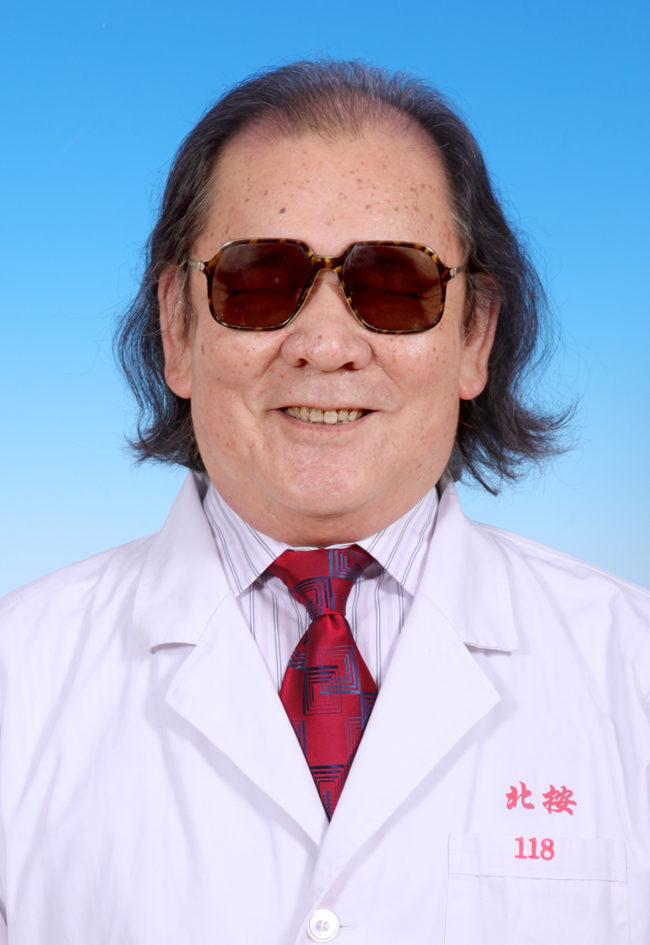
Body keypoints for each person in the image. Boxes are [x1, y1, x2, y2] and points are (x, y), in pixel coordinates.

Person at [0, 60, 648, 945]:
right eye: (259, 280)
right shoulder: (19, 681)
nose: (326, 343)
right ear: (177, 328)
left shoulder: (631, 670)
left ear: (476, 335)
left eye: (395, 284)